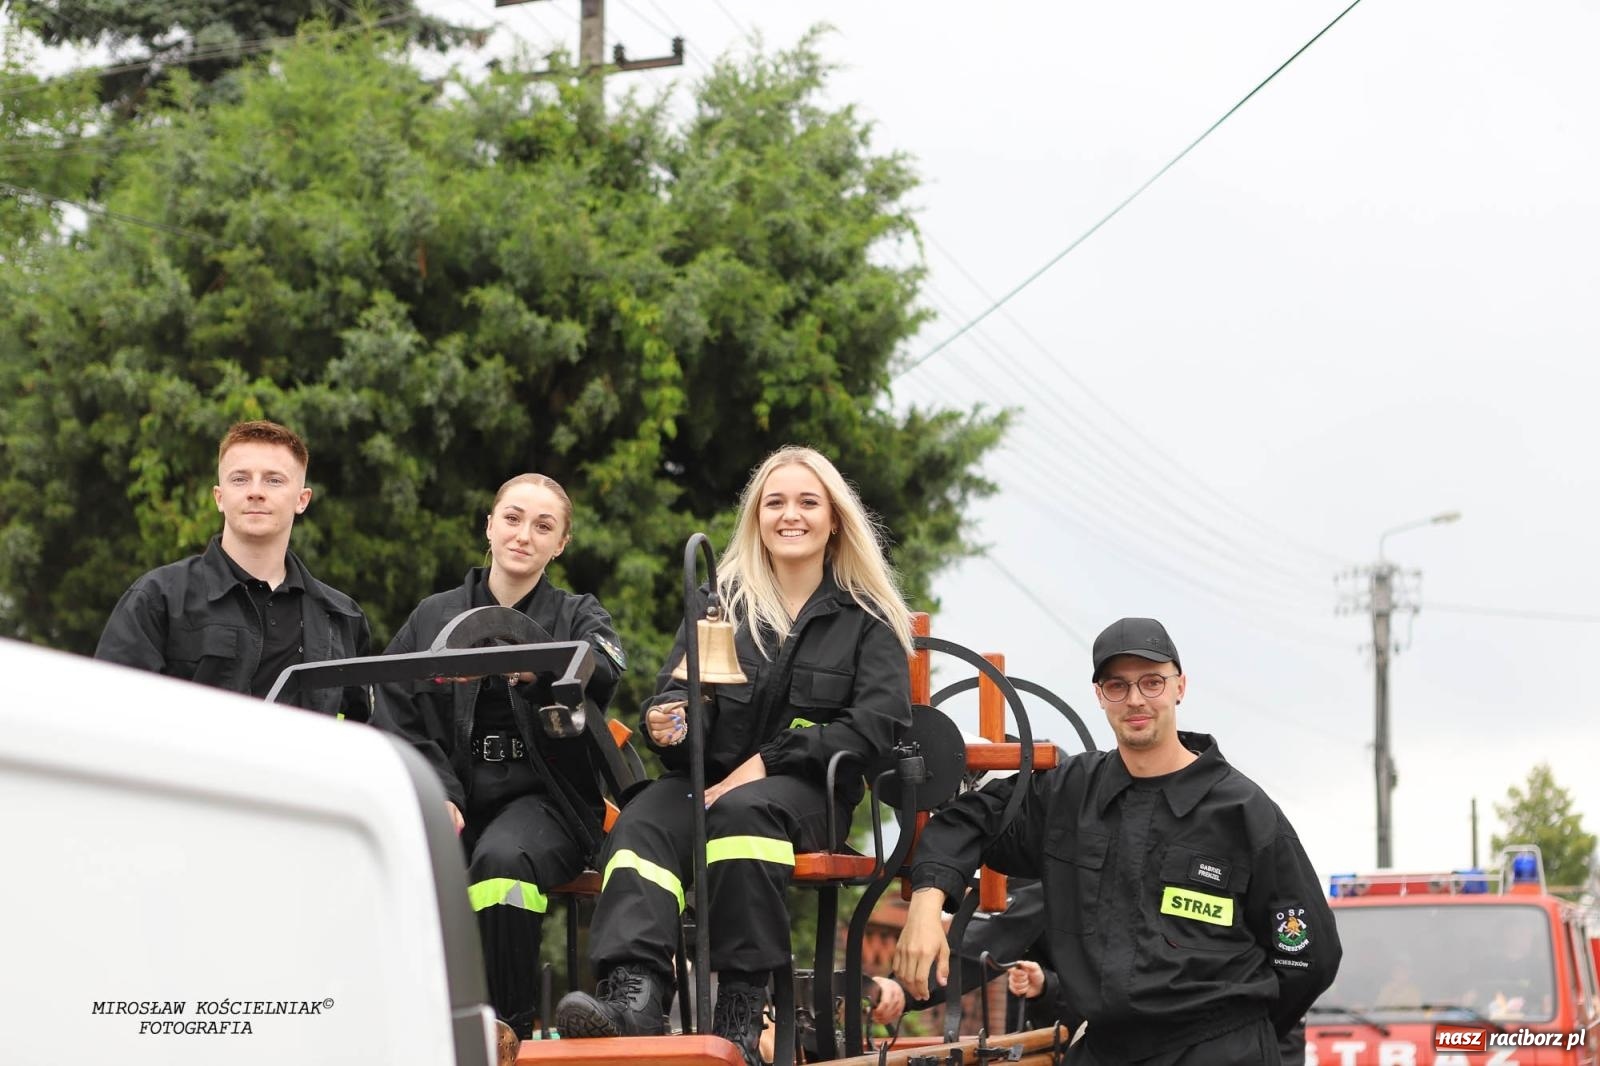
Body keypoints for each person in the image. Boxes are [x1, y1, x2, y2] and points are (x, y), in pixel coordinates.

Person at [554, 445, 914, 1066]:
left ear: (834, 519)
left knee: (741, 816)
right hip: (711, 783)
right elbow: (677, 693)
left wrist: (769, 761)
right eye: (775, 503)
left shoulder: (867, 617)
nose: (790, 515)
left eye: (807, 502)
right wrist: (668, 724)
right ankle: (635, 994)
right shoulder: (721, 605)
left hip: (810, 795)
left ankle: (742, 1008)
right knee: (643, 821)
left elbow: (876, 727)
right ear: (756, 518)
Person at [893, 617, 1341, 1065]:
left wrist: (1244, 1034)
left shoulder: (1242, 811)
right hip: (1107, 1049)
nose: (1135, 699)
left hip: (1216, 1049)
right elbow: (971, 818)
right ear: (1099, 695)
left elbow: (1309, 957)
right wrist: (926, 908)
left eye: (1152, 682)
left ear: (1180, 686)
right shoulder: (1069, 794)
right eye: (1117, 686)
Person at [373, 473, 626, 1039]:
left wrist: (538, 669)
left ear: (560, 544)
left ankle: (505, 1032)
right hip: (453, 795)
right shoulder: (432, 616)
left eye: (543, 526)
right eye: (512, 518)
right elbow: (395, 715)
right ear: (489, 526)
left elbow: (603, 667)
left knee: (503, 862)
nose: (523, 535)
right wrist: (436, 793)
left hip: (548, 800)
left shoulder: (580, 615)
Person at [95, 419, 370, 717]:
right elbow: (108, 714)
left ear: (302, 500)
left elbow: (361, 730)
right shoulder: (157, 599)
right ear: (219, 497)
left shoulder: (342, 618)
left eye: (273, 480)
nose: (255, 491)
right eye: (240, 479)